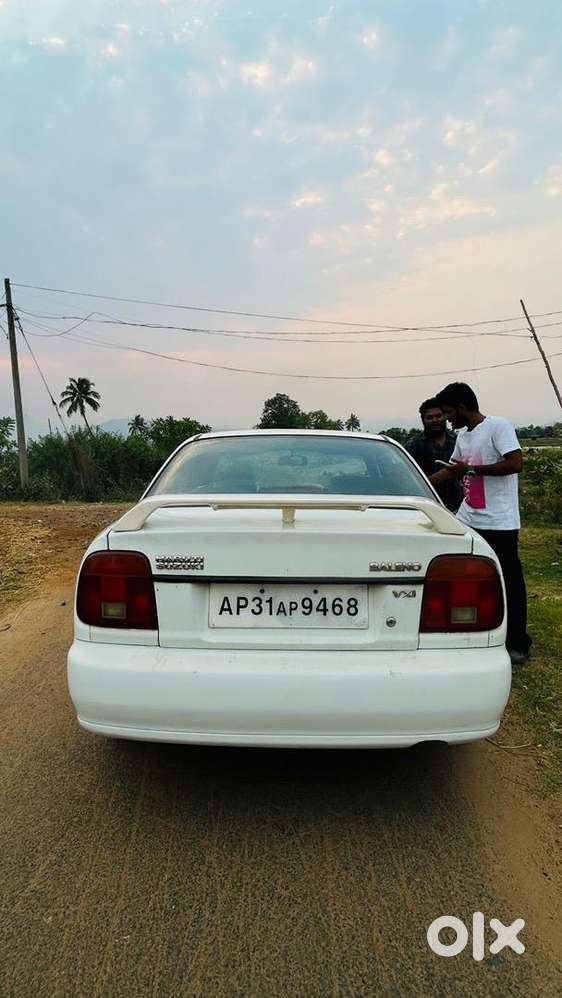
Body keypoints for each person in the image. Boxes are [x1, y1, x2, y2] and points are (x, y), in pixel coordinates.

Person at [431, 381, 531, 666]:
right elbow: (452, 471)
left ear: (462, 408)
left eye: (449, 412)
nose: (448, 418)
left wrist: (472, 468)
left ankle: (517, 642)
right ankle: (472, 630)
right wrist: (418, 485)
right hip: (468, 516)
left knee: (509, 579)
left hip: (499, 520)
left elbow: (515, 463)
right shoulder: (463, 436)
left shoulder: (498, 426)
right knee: (465, 575)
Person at [406, 398, 463, 512]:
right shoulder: (414, 445)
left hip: (460, 507)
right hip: (428, 508)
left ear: (445, 417)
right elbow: (410, 482)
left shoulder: (458, 440)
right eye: (430, 417)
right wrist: (443, 475)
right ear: (423, 420)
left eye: (439, 416)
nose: (435, 420)